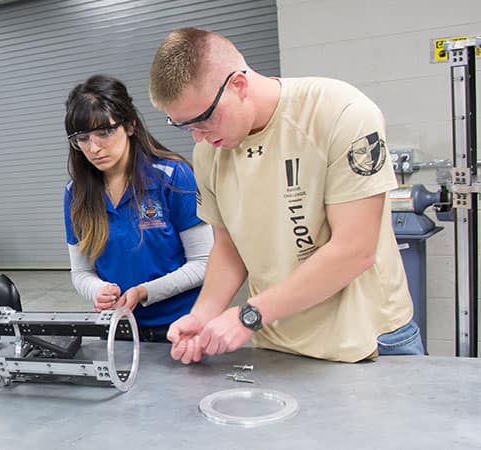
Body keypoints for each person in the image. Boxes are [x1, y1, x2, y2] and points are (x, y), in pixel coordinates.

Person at [147, 27, 423, 364]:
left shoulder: (341, 114)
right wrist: (202, 315)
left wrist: (250, 314)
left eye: (204, 119)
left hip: (368, 339)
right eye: (184, 125)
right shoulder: (210, 153)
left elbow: (355, 249)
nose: (199, 137)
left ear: (239, 85)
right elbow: (228, 245)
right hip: (279, 342)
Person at [63, 74, 213, 342]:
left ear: (130, 125)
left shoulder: (172, 177)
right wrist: (98, 290)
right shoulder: (76, 194)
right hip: (118, 328)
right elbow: (82, 272)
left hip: (180, 328)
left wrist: (144, 291)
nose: (94, 147)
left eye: (104, 132)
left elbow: (204, 264)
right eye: (82, 138)